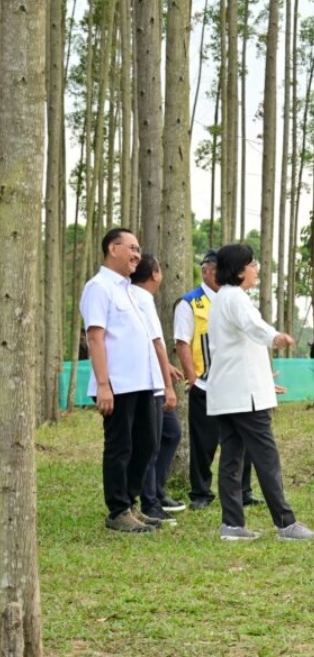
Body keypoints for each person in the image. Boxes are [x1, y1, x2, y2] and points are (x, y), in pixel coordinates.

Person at [206, 243, 314, 541]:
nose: (256, 269)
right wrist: (276, 337)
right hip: (245, 397)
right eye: (252, 264)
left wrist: (264, 380)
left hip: (228, 392)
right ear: (240, 270)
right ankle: (285, 523)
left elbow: (238, 349)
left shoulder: (221, 299)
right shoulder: (237, 299)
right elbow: (254, 327)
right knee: (266, 457)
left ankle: (231, 524)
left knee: (232, 459)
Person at [81, 228, 171, 534]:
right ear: (112, 248)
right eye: (132, 248)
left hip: (143, 382)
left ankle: (130, 504)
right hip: (118, 384)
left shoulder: (132, 292)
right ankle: (118, 510)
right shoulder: (99, 287)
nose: (137, 255)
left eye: (139, 249)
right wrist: (104, 384)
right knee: (120, 446)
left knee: (146, 444)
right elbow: (96, 337)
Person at [175, 250, 258, 510]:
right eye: (216, 270)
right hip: (205, 383)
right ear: (206, 271)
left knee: (241, 440)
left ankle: (243, 491)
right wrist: (192, 379)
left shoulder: (234, 299)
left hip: (235, 382)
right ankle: (201, 493)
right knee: (204, 442)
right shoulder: (190, 302)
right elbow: (182, 342)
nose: (221, 276)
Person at [131, 254, 186, 524]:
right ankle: (149, 502)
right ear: (154, 274)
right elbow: (157, 343)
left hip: (153, 376)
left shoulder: (140, 298)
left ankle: (156, 490)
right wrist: (168, 386)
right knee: (150, 443)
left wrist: (167, 369)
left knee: (170, 433)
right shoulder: (140, 298)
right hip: (150, 385)